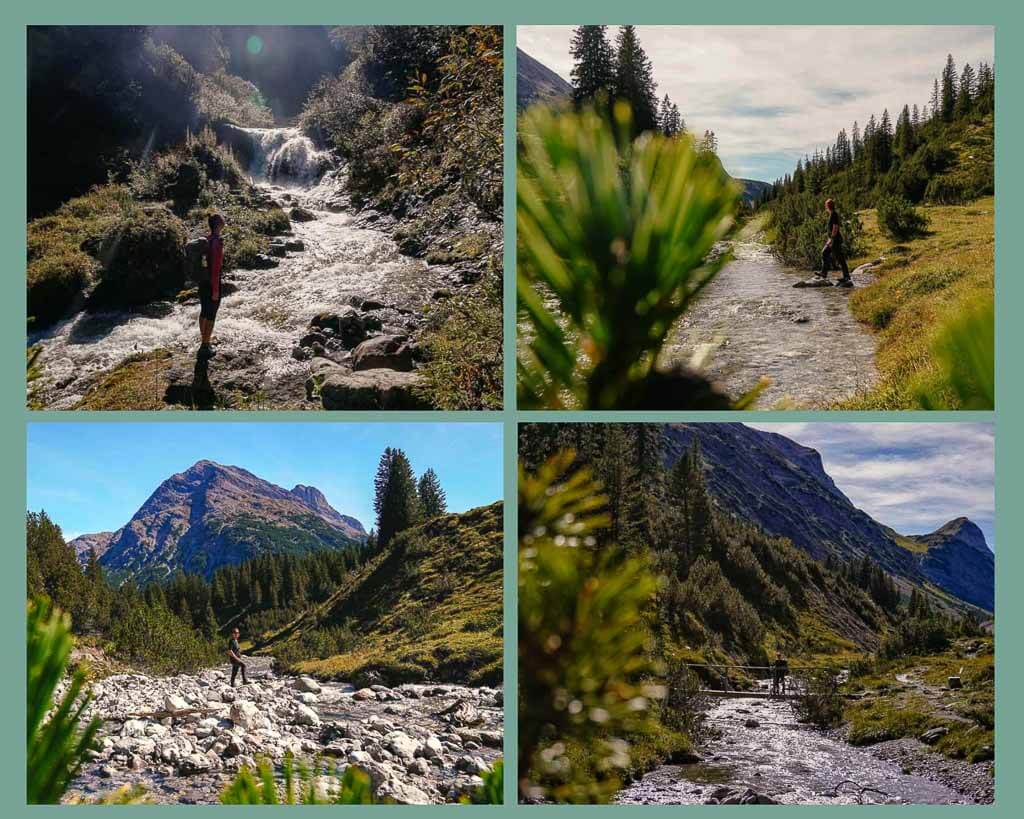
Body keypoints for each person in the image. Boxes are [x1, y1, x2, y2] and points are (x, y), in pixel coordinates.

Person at [199, 213, 226, 358]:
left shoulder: (206, 240)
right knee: (211, 314)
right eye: (222, 219)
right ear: (219, 224)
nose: (224, 220)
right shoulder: (217, 242)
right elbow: (215, 268)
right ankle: (205, 346)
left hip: (203, 282)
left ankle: (204, 341)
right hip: (211, 283)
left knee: (204, 311)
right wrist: (216, 289)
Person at [819, 198, 852, 287]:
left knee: (840, 258)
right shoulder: (832, 214)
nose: (825, 206)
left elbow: (836, 227)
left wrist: (832, 239)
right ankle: (824, 273)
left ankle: (846, 277)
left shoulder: (834, 215)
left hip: (835, 240)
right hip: (832, 239)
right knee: (825, 253)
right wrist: (830, 239)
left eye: (826, 205)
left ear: (828, 206)